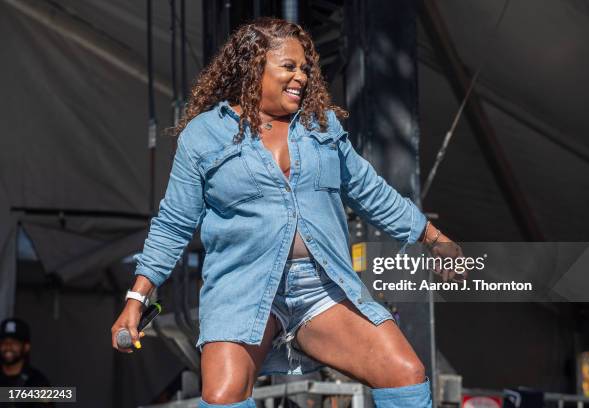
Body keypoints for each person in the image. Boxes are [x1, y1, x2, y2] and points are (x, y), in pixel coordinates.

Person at [111, 17, 462, 408]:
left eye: (307, 69)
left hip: (320, 287)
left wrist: (434, 239)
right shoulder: (204, 135)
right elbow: (173, 224)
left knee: (405, 372)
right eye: (290, 67)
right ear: (253, 66)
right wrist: (136, 298)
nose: (302, 77)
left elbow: (369, 189)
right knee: (222, 396)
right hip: (241, 286)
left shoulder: (321, 125)